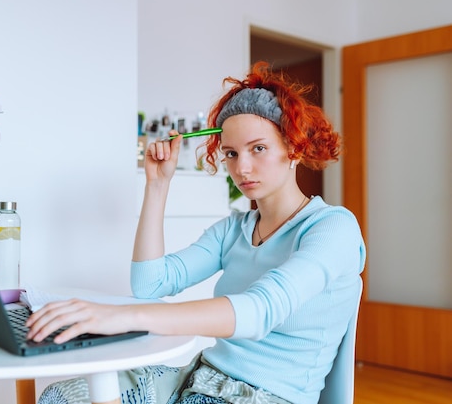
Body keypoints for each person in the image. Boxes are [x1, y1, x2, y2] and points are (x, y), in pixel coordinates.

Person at [26, 61, 366, 404]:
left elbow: (260, 311)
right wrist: (157, 186)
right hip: (198, 377)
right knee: (63, 396)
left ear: (293, 149)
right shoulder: (234, 229)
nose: (241, 167)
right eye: (231, 153)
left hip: (263, 395)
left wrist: (119, 316)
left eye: (257, 148)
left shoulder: (332, 228)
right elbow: (151, 284)